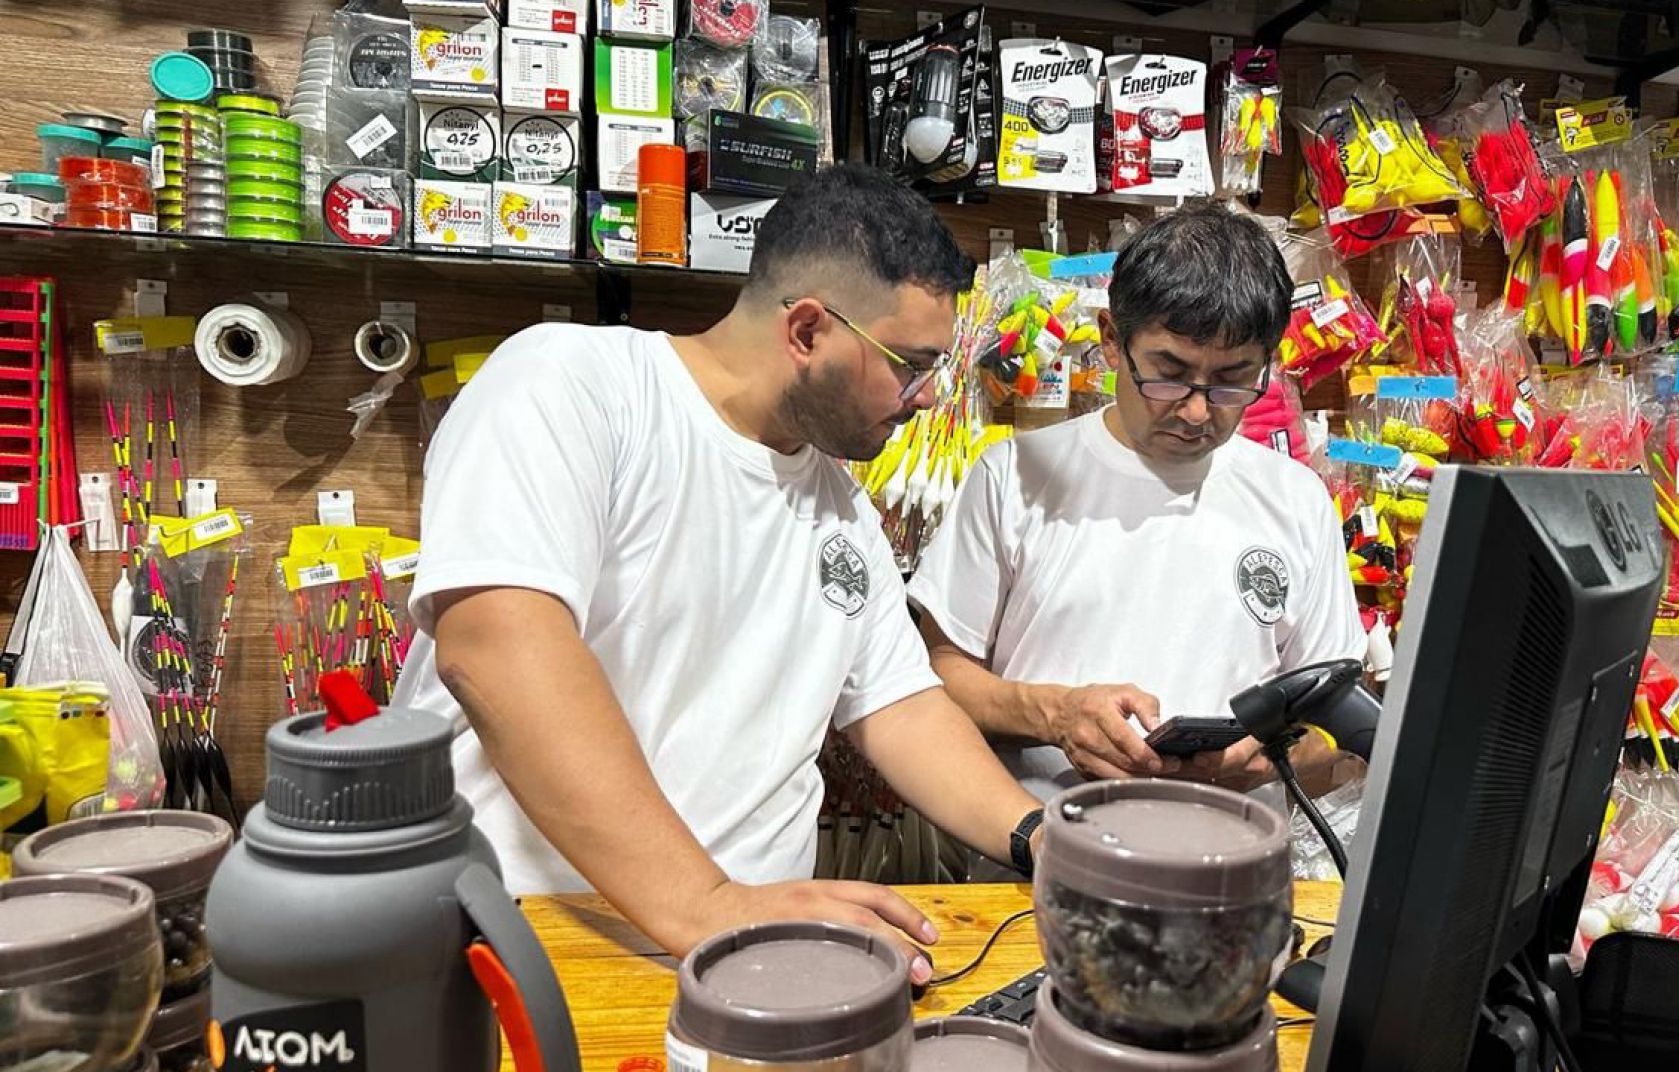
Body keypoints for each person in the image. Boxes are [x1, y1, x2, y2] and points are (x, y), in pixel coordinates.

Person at [391, 164, 1046, 984]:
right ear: (806, 330)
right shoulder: (572, 384)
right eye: (909, 365)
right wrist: (706, 903)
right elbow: (496, 650)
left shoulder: (842, 507)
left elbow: (902, 705)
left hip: (749, 956)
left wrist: (1044, 840)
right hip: (535, 940)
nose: (923, 399)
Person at [908, 203, 1366, 803]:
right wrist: (1056, 714)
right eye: (1169, 372)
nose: (1197, 411)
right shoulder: (1013, 475)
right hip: (1041, 847)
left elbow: (1334, 727)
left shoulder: (1298, 499)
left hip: (1234, 850)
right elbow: (937, 674)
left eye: (1232, 381)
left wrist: (1272, 756)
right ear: (1110, 340)